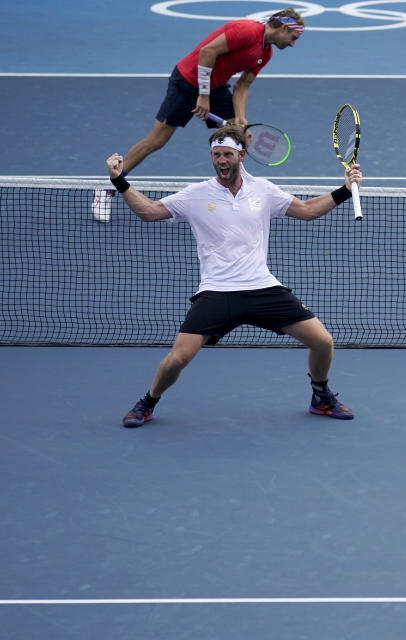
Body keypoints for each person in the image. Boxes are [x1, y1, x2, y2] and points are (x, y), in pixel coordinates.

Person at [106, 125, 363, 428]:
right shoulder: (197, 195)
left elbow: (306, 210)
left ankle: (320, 397)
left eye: (227, 154)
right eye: (216, 155)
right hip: (217, 292)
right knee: (178, 359)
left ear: (241, 155)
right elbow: (149, 211)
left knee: (322, 342)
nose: (221, 160)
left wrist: (345, 190)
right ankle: (147, 402)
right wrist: (119, 180)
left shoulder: (263, 190)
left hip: (262, 288)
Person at [93, 8, 305, 221]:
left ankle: (236, 195)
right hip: (187, 82)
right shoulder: (247, 30)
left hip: (216, 86)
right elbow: (207, 52)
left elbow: (242, 86)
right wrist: (203, 96)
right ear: (284, 28)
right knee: (157, 140)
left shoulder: (265, 53)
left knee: (238, 138)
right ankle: (107, 189)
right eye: (293, 38)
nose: (293, 44)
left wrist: (240, 118)